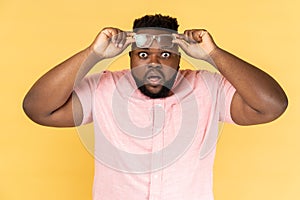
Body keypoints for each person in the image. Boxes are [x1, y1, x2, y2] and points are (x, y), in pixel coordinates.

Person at [23, 14, 288, 200]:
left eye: (164, 54)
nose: (153, 63)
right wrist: (94, 54)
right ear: (129, 57)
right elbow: (38, 108)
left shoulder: (209, 88)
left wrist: (213, 54)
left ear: (179, 59)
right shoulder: (103, 89)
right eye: (142, 54)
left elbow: (272, 106)